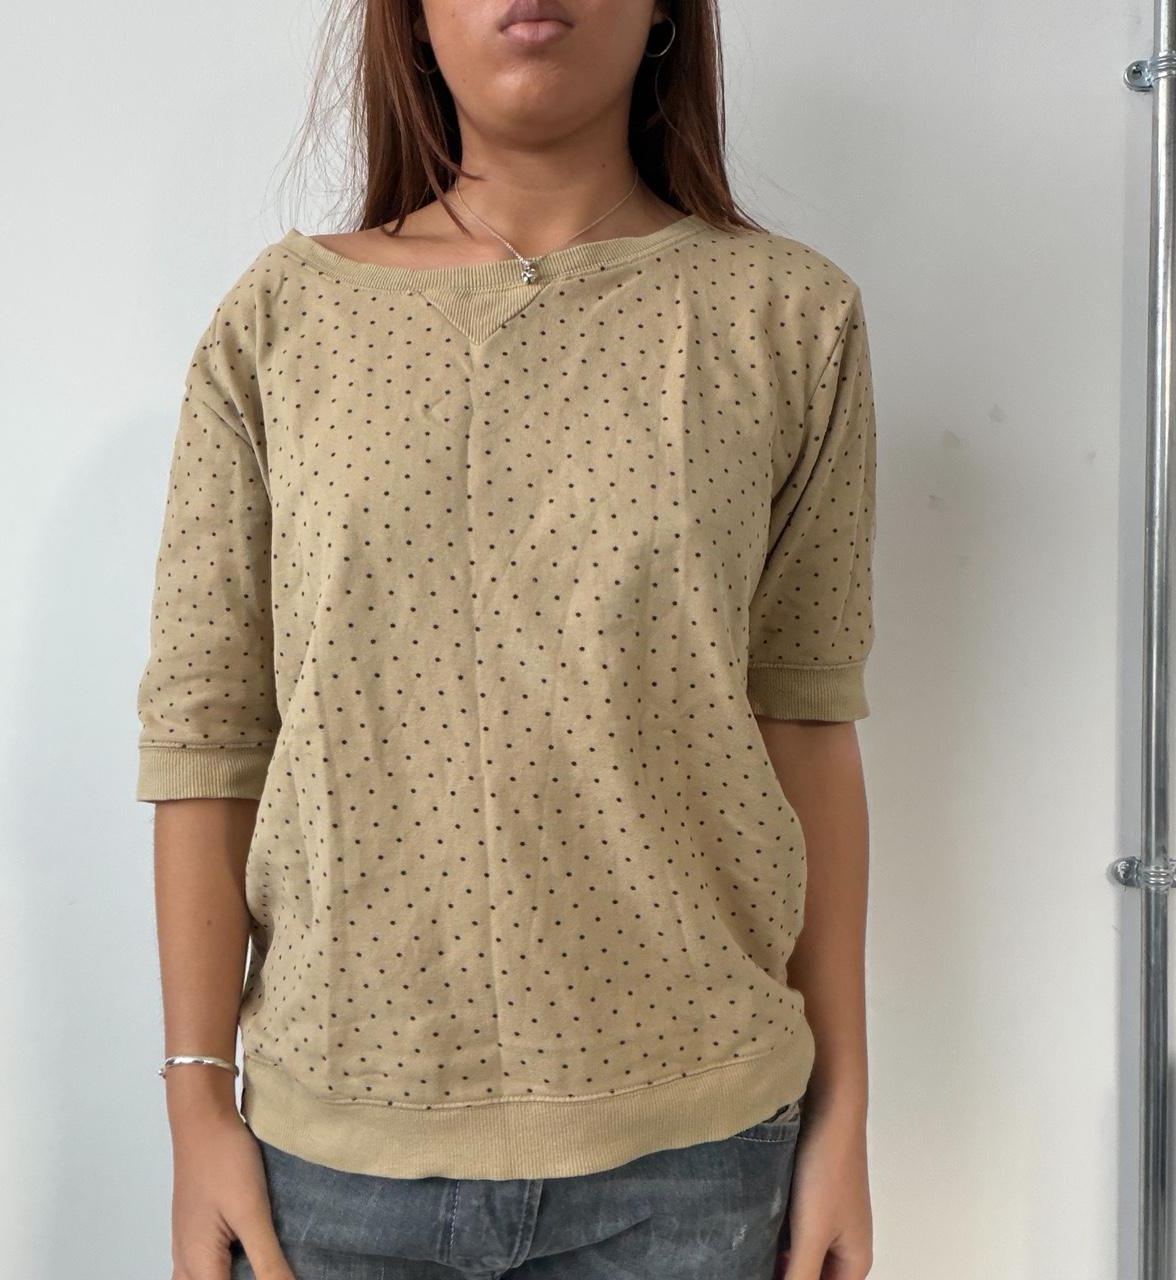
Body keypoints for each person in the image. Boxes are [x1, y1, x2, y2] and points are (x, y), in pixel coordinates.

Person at [135, 1, 878, 1277]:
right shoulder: (280, 320)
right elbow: (207, 737)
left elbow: (804, 722)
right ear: (413, 21)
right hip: (330, 1159)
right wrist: (195, 1100)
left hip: (697, 1152)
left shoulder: (785, 318)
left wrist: (844, 1114)